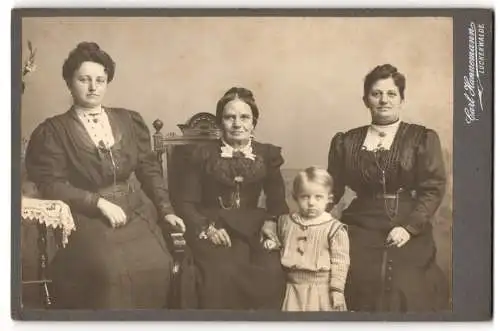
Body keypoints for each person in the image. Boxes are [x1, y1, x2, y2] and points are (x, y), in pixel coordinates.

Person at [24, 41, 185, 309]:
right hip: (86, 218)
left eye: (100, 79)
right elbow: (50, 184)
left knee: (159, 265)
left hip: (135, 213)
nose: (92, 87)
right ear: (69, 82)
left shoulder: (128, 120)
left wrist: (166, 210)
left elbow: (149, 169)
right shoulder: (53, 131)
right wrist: (97, 203)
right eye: (84, 79)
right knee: (110, 272)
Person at [327, 63, 448, 312]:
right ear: (365, 100)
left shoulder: (422, 138)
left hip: (406, 222)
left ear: (401, 99)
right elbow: (333, 187)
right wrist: (318, 216)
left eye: (391, 94)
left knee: (405, 280)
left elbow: (433, 187)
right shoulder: (346, 141)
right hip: (360, 222)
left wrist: (409, 228)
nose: (384, 100)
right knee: (357, 274)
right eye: (376, 94)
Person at [177, 87, 289, 309]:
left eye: (244, 117)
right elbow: (185, 203)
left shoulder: (267, 155)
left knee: (271, 271)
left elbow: (276, 200)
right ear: (221, 123)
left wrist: (271, 222)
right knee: (221, 273)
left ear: (254, 122)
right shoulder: (200, 155)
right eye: (230, 117)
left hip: (254, 227)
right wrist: (207, 229)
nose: (237, 124)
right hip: (214, 227)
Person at [263, 167, 350, 311]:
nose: (311, 202)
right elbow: (282, 245)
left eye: (318, 197)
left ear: (329, 199)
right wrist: (272, 243)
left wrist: (337, 291)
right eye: (305, 196)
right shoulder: (286, 222)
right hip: (291, 290)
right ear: (295, 197)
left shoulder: (334, 228)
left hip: (321, 291)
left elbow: (340, 262)